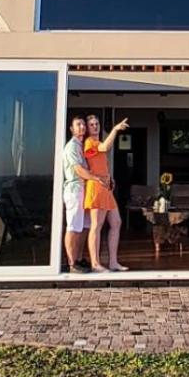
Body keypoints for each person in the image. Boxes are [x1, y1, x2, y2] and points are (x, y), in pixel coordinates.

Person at [83, 114, 129, 272]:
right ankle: (95, 263)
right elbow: (104, 148)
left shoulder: (97, 142)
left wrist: (110, 178)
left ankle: (113, 262)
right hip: (96, 187)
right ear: (87, 128)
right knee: (96, 225)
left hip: (106, 187)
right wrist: (115, 129)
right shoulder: (89, 142)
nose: (95, 126)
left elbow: (102, 161)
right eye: (91, 124)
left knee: (116, 222)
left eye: (96, 123)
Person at [62, 114, 105, 273]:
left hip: (85, 190)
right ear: (71, 129)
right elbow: (79, 170)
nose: (82, 127)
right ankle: (71, 263)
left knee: (85, 226)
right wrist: (96, 178)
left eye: (83, 124)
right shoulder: (72, 147)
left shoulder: (82, 145)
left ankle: (79, 258)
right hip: (75, 189)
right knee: (73, 226)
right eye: (78, 125)